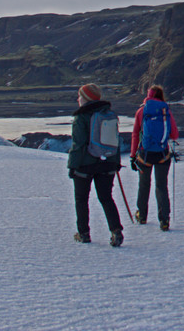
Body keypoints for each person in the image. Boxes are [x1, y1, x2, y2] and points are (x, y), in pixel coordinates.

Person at [68, 83, 124, 246]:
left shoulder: (81, 117)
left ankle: (83, 233)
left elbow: (78, 145)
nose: (78, 99)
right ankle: (116, 231)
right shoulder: (108, 114)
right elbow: (116, 141)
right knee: (106, 198)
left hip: (85, 165)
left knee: (81, 199)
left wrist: (73, 166)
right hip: (107, 163)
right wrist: (116, 162)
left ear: (85, 98)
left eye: (80, 96)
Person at [131, 85, 179, 230]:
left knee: (144, 185)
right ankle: (164, 220)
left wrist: (133, 155)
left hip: (144, 156)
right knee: (161, 187)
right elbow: (174, 135)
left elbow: (135, 134)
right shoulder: (166, 112)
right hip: (162, 155)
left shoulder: (142, 111)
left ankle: (142, 216)